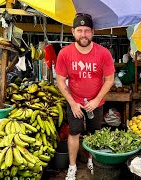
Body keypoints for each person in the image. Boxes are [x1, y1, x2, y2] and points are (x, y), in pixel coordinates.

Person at [55, 13, 115, 180]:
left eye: (87, 30)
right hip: (74, 101)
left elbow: (109, 80)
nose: (83, 34)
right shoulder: (65, 53)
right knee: (74, 133)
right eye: (80, 30)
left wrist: (96, 101)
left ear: (93, 32)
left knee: (94, 133)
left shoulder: (103, 53)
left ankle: (91, 161)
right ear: (73, 32)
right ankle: (72, 167)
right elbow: (60, 81)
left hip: (95, 102)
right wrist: (72, 103)